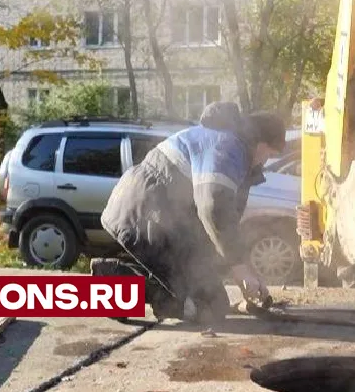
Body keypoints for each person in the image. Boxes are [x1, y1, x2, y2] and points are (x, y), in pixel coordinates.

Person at [92, 102, 286, 323]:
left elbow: (222, 225)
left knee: (212, 303)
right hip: (150, 211)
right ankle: (112, 282)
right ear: (259, 141)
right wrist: (239, 268)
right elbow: (213, 207)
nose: (264, 161)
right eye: (268, 154)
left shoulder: (229, 143)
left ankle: (123, 286)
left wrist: (247, 272)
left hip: (154, 210)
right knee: (203, 309)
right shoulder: (229, 147)